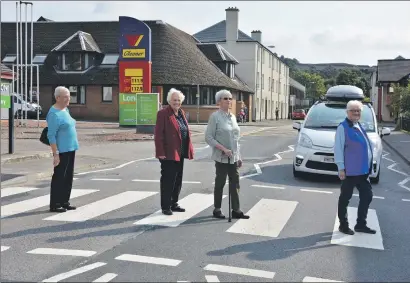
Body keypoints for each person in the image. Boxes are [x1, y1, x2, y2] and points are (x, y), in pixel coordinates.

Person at [205, 89, 249, 220]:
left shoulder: (233, 117)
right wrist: (223, 149)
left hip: (233, 157)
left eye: (230, 98)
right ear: (219, 101)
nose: (229, 101)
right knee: (220, 183)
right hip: (221, 157)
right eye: (225, 98)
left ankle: (236, 210)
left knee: (235, 183)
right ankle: (217, 209)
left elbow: (236, 139)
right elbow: (208, 137)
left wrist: (238, 156)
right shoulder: (215, 117)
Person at [334, 100, 376, 235]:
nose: (356, 113)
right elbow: (338, 149)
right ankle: (343, 225)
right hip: (350, 171)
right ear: (347, 112)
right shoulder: (343, 127)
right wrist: (341, 168)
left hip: (363, 171)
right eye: (353, 110)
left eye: (358, 111)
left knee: (367, 195)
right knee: (345, 198)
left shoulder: (359, 125)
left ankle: (360, 224)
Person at [154, 88, 194, 215]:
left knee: (178, 179)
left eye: (178, 100)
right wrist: (160, 152)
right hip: (168, 153)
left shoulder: (181, 113)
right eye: (174, 100)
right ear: (169, 101)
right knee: (168, 180)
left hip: (180, 152)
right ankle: (166, 206)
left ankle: (174, 203)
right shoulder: (163, 114)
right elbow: (158, 134)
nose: (176, 102)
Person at [46, 86, 79, 213]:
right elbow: (51, 135)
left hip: (71, 148)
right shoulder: (53, 114)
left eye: (69, 96)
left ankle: (65, 201)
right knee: (59, 176)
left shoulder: (65, 110)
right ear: (57, 98)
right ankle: (55, 204)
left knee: (68, 177)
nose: (68, 99)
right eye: (65, 96)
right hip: (62, 150)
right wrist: (56, 154)